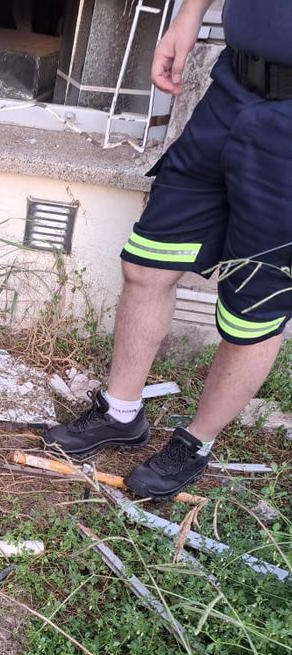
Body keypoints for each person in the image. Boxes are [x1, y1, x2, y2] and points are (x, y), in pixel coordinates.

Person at [43, 0, 292, 499]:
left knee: (256, 304)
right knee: (146, 264)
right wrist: (190, 14)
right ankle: (120, 412)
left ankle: (195, 443)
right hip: (231, 92)